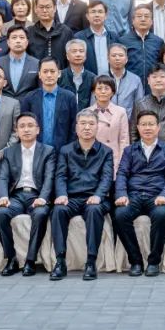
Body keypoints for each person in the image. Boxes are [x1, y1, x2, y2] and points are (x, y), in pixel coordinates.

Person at [113, 111, 165, 277]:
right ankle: (135, 261)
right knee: (120, 215)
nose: (147, 128)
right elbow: (122, 174)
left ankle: (153, 262)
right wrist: (121, 194)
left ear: (158, 127)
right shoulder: (130, 150)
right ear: (138, 127)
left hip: (157, 196)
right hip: (134, 195)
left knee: (162, 214)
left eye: (151, 124)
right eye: (143, 124)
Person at [50, 109, 114, 280]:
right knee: (58, 210)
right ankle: (60, 261)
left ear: (97, 127)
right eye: (83, 124)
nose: (87, 127)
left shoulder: (106, 151)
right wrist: (62, 194)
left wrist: (99, 195)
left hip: (95, 198)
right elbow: (60, 175)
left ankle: (91, 262)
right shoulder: (66, 150)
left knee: (94, 210)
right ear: (76, 127)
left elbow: (107, 177)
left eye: (91, 124)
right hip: (71, 197)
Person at [0, 112, 55, 277]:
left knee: (41, 214)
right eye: (22, 126)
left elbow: (49, 177)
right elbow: (3, 177)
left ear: (38, 130)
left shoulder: (48, 151)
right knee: (0, 214)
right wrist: (3, 196)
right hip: (16, 197)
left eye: (30, 126)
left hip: (36, 195)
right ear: (17, 131)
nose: (26, 129)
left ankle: (30, 260)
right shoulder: (9, 152)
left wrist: (43, 198)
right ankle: (11, 259)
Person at [20, 57, 77, 150]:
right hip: (36, 151)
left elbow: (74, 127)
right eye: (45, 71)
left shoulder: (69, 97)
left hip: (62, 151)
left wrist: (68, 150)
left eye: (52, 71)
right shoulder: (29, 98)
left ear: (59, 73)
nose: (49, 75)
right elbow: (23, 125)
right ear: (39, 74)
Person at [88, 76, 129, 175]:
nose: (103, 91)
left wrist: (122, 163)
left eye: (107, 88)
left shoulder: (121, 112)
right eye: (99, 88)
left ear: (113, 92)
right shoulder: (87, 112)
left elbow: (124, 140)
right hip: (93, 160)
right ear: (93, 92)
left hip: (115, 158)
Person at [26, 0, 75, 66]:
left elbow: (71, 58)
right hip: (36, 73)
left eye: (48, 7)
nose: (44, 10)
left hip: (60, 72)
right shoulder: (29, 32)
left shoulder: (66, 32)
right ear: (35, 9)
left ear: (55, 8)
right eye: (41, 7)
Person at [119, 4, 165, 81]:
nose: (143, 19)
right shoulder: (123, 41)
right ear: (133, 21)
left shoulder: (158, 42)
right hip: (130, 83)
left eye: (146, 16)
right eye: (139, 16)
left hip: (153, 84)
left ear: (151, 21)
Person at [74, 0, 118, 75]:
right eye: (93, 12)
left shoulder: (114, 37)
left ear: (106, 15)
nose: (96, 15)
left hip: (110, 80)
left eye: (100, 12)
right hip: (88, 80)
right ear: (87, 16)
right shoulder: (79, 37)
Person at [0, 27, 40, 101]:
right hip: (4, 105)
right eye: (14, 37)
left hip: (27, 105)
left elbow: (39, 90)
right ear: (8, 42)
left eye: (22, 37)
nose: (18, 41)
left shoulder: (36, 63)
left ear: (27, 42)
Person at [105, 44, 145, 116]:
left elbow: (140, 106)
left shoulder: (135, 80)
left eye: (121, 55)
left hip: (128, 121)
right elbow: (94, 106)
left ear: (126, 59)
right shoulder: (100, 79)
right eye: (114, 55)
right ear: (108, 59)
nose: (117, 58)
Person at [59, 39, 97, 110]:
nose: (78, 54)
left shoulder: (93, 78)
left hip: (87, 115)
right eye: (74, 51)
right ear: (67, 56)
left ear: (85, 56)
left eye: (81, 51)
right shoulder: (59, 76)